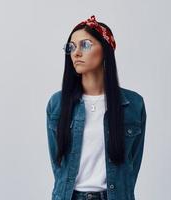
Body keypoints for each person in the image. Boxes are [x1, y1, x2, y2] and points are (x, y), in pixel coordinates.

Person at [46, 15, 147, 200]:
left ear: (106, 50)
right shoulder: (58, 104)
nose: (76, 53)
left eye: (85, 45)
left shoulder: (133, 105)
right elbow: (58, 165)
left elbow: (133, 163)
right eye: (71, 47)